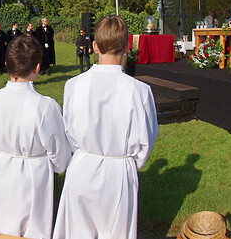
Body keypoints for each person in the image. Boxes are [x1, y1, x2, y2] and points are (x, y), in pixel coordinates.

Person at [53, 15, 158, 239]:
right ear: (127, 46)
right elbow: (145, 141)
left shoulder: (74, 85)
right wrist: (126, 163)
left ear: (94, 46)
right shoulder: (139, 91)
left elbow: (69, 131)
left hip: (84, 166)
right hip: (118, 173)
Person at [0, 36, 71, 238]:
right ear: (38, 67)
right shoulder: (45, 106)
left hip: (3, 167)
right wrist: (56, 166)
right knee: (32, 228)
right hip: (33, 173)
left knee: (0, 224)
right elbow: (59, 153)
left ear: (6, 64)